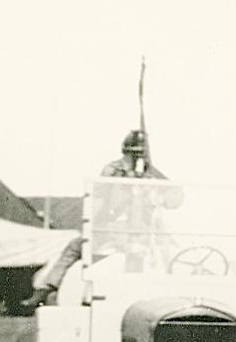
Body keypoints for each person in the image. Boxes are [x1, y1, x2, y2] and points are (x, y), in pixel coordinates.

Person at [26, 129, 165, 308]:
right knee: (76, 246)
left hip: (125, 234)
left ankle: (46, 288)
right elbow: (102, 198)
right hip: (125, 233)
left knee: (75, 247)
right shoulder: (126, 173)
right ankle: (48, 289)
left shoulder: (125, 172)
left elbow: (173, 199)